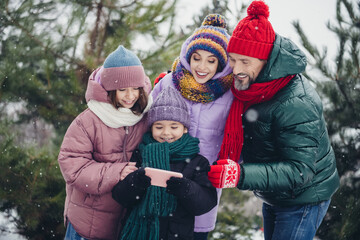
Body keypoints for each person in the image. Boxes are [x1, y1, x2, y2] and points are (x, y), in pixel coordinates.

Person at [207, 1, 340, 240]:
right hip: (274, 192)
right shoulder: (253, 85)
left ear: (266, 60)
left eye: (245, 62)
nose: (235, 69)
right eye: (233, 59)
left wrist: (240, 175)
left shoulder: (296, 103)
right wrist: (171, 84)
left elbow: (300, 171)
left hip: (303, 199)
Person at [151, 14, 233, 239]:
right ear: (188, 56)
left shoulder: (230, 95)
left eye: (211, 60)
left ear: (221, 63)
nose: (202, 66)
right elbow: (145, 122)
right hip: (161, 181)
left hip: (200, 188)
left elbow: (237, 142)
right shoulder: (169, 82)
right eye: (197, 58)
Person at [58, 45, 153, 240]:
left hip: (125, 223)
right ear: (109, 89)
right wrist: (116, 172)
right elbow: (72, 166)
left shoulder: (144, 117)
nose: (130, 96)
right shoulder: (89, 120)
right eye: (122, 89)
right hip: (87, 224)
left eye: (136, 88)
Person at [111, 87, 217, 240]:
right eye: (159, 127)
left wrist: (186, 188)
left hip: (176, 235)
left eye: (174, 127)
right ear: (151, 128)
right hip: (139, 234)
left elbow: (206, 202)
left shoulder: (197, 161)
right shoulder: (141, 154)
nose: (166, 133)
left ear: (185, 128)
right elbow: (121, 197)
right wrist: (135, 183)